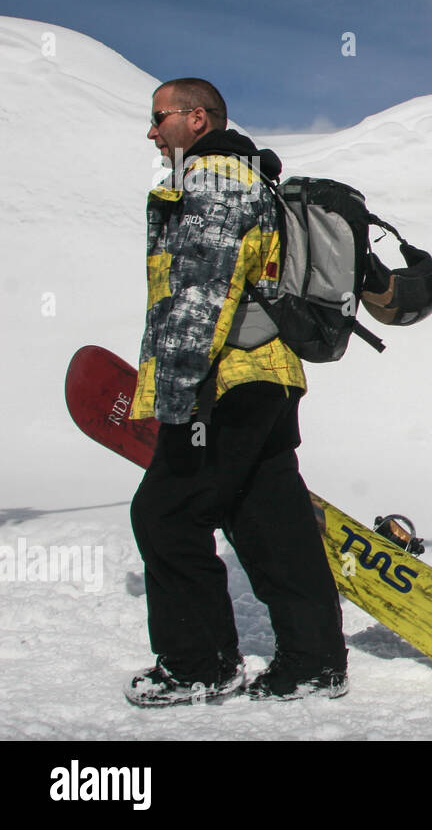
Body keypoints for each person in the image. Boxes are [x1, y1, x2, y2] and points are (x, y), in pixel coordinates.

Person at [125, 78, 347, 705]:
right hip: (266, 377)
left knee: (165, 514)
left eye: (159, 118)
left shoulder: (216, 179)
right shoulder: (248, 176)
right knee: (269, 518)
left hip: (226, 378)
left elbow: (199, 293)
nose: (151, 131)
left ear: (197, 118)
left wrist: (176, 393)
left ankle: (199, 665)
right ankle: (314, 661)